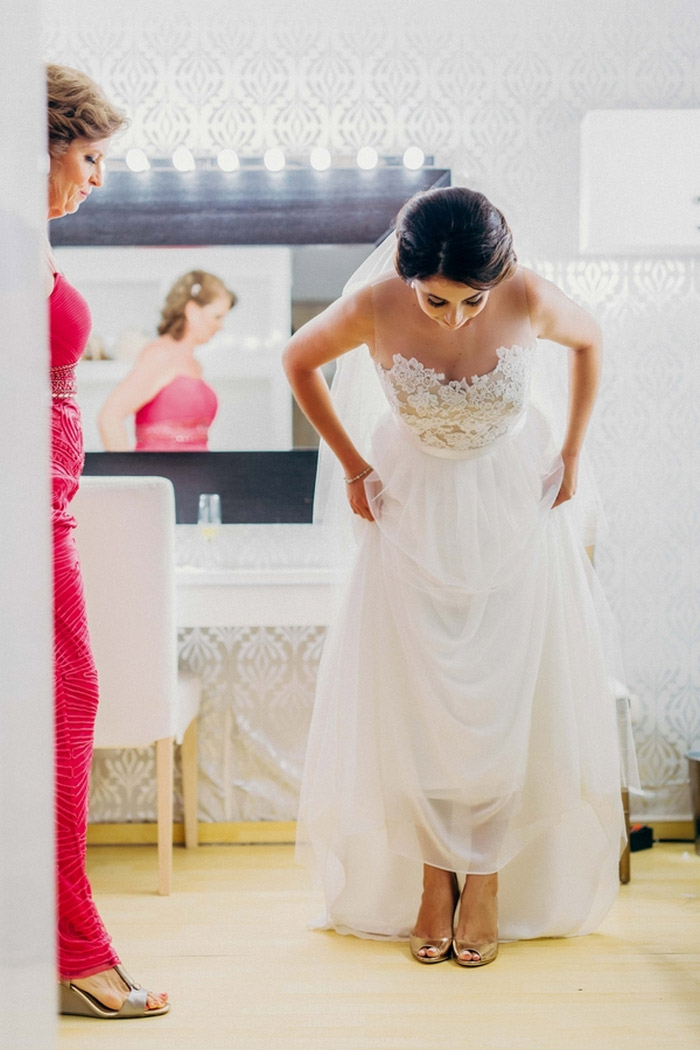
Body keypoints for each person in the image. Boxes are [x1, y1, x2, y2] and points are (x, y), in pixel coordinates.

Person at [283, 186, 636, 967]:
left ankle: (486, 879)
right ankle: (431, 881)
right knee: (422, 700)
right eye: (437, 301)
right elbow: (298, 360)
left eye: (473, 301)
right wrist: (351, 467)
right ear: (408, 274)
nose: (456, 319)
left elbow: (590, 341)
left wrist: (573, 450)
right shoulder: (374, 304)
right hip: (412, 514)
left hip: (511, 512)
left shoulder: (530, 295)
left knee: (504, 695)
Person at [46, 63, 169, 1016]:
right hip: (24, 526)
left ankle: (65, 943)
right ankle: (77, 951)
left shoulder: (25, 243)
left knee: (62, 711)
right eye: (89, 156)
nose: (99, 177)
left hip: (46, 518)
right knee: (68, 704)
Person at [98, 270, 236, 450]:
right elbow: (109, 417)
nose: (220, 326)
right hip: (162, 472)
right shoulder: (160, 354)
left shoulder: (194, 363)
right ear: (192, 310)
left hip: (196, 473)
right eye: (217, 317)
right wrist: (131, 475)